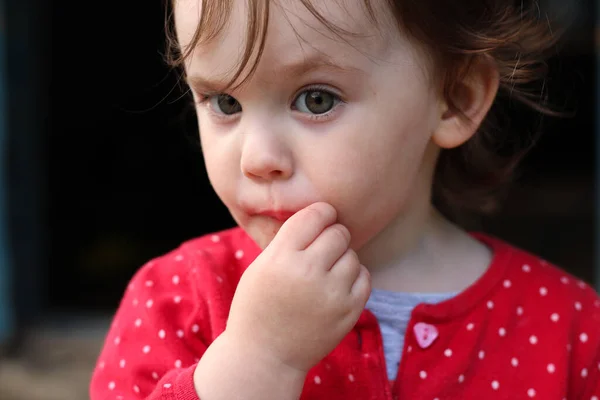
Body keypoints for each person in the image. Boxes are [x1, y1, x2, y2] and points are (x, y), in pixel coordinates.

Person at [90, 0, 600, 399]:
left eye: (316, 99)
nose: (257, 157)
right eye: (226, 102)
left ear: (455, 99)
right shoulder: (176, 299)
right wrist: (260, 361)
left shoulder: (573, 329)